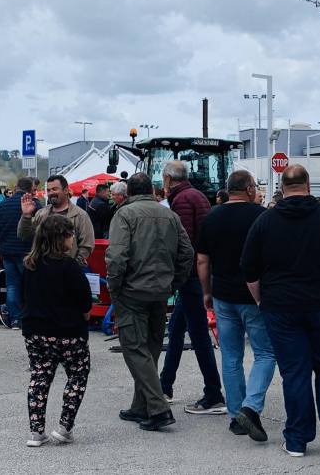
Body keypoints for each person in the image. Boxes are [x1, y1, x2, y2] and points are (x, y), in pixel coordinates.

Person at [241, 165, 320, 457]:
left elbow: (248, 268)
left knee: (294, 372)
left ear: (282, 186)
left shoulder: (265, 221)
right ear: (308, 184)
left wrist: (260, 300)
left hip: (281, 307)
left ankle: (296, 439)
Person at [105, 172, 193, 431]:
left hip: (132, 291)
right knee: (151, 348)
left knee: (134, 348)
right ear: (152, 190)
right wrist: (172, 283)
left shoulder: (124, 214)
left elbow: (117, 255)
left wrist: (114, 286)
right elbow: (186, 253)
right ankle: (141, 405)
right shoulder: (170, 215)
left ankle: (158, 407)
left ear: (129, 192)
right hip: (159, 292)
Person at [196, 170, 275, 440]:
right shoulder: (261, 216)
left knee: (231, 356)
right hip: (255, 296)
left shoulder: (212, 217)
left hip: (223, 294)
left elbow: (202, 260)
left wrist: (207, 292)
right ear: (250, 189)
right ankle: (250, 407)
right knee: (265, 353)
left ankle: (235, 414)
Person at [20, 214, 93, 447]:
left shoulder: (30, 265)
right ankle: (64, 426)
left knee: (39, 377)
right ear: (61, 238)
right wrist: (85, 315)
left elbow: (23, 297)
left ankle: (36, 431)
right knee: (77, 375)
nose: (72, 239)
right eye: (70, 235)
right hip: (68, 331)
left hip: (36, 330)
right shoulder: (69, 266)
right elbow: (84, 301)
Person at [159, 161, 225, 414]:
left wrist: (175, 276)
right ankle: (165, 385)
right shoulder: (196, 195)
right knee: (176, 328)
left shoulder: (181, 200)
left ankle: (214, 394)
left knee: (198, 336)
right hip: (197, 274)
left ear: (167, 179)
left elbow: (183, 242)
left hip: (191, 277)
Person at [0, 177, 41, 330]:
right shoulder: (35, 205)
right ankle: (31, 316)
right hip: (27, 251)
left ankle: (15, 319)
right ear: (31, 189)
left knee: (12, 285)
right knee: (30, 285)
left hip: (7, 250)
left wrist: (3, 244)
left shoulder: (3, 204)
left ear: (15, 188)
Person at [18, 175, 94, 268]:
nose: (51, 193)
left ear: (66, 190)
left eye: (54, 189)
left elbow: (87, 245)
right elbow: (23, 235)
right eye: (49, 190)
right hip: (41, 269)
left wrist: (74, 265)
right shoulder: (41, 214)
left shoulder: (80, 216)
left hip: (66, 273)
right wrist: (26, 216)